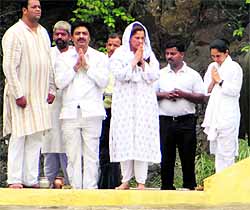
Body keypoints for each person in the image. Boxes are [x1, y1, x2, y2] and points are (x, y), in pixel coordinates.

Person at [2, 0, 55, 189]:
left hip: (39, 94)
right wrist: (18, 93)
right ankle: (14, 179)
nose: (38, 9)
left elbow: (48, 63)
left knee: (36, 135)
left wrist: (51, 88)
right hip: (22, 94)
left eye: (39, 6)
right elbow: (8, 66)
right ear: (24, 10)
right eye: (34, 6)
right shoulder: (14, 33)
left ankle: (30, 179)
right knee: (19, 135)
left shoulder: (43, 32)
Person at [54, 21, 109, 189]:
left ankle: (90, 190)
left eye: (84, 34)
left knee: (91, 154)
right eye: (77, 34)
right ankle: (76, 190)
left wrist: (87, 66)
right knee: (73, 156)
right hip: (70, 113)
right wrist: (75, 67)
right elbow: (59, 83)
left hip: (92, 113)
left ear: (89, 37)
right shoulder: (63, 59)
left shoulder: (100, 57)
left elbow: (104, 81)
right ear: (72, 38)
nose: (81, 37)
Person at [109, 21, 161, 190]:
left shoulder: (149, 54)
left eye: (142, 38)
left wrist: (143, 62)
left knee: (141, 140)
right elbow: (119, 74)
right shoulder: (119, 54)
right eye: (136, 37)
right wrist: (133, 61)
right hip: (124, 104)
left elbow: (154, 76)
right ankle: (125, 180)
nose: (139, 41)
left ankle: (141, 182)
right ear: (129, 38)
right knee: (125, 138)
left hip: (143, 104)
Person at [155, 39, 205, 190]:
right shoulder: (160, 74)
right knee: (166, 156)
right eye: (167, 53)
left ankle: (189, 186)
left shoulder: (193, 75)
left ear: (182, 54)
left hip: (186, 121)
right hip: (165, 120)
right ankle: (167, 187)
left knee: (187, 155)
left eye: (173, 53)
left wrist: (183, 94)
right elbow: (151, 94)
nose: (169, 56)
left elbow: (201, 97)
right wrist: (165, 95)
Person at [202, 39, 243, 173]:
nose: (216, 59)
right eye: (213, 56)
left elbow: (235, 90)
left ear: (226, 53)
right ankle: (219, 179)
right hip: (215, 113)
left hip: (228, 114)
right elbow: (206, 90)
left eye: (218, 56)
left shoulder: (234, 67)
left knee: (227, 151)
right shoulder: (212, 67)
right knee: (218, 151)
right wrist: (213, 82)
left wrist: (219, 81)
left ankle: (228, 184)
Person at [41, 21, 72, 188]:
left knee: (67, 146)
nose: (60, 37)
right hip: (49, 106)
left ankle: (70, 183)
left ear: (69, 36)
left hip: (68, 106)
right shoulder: (47, 53)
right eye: (57, 34)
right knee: (49, 145)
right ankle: (49, 183)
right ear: (53, 36)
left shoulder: (75, 54)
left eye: (63, 34)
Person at [98, 33, 122, 189]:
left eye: (116, 45)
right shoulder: (100, 61)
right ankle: (101, 180)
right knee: (102, 146)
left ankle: (115, 180)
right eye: (110, 45)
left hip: (119, 111)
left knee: (116, 147)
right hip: (102, 109)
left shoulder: (123, 63)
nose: (112, 48)